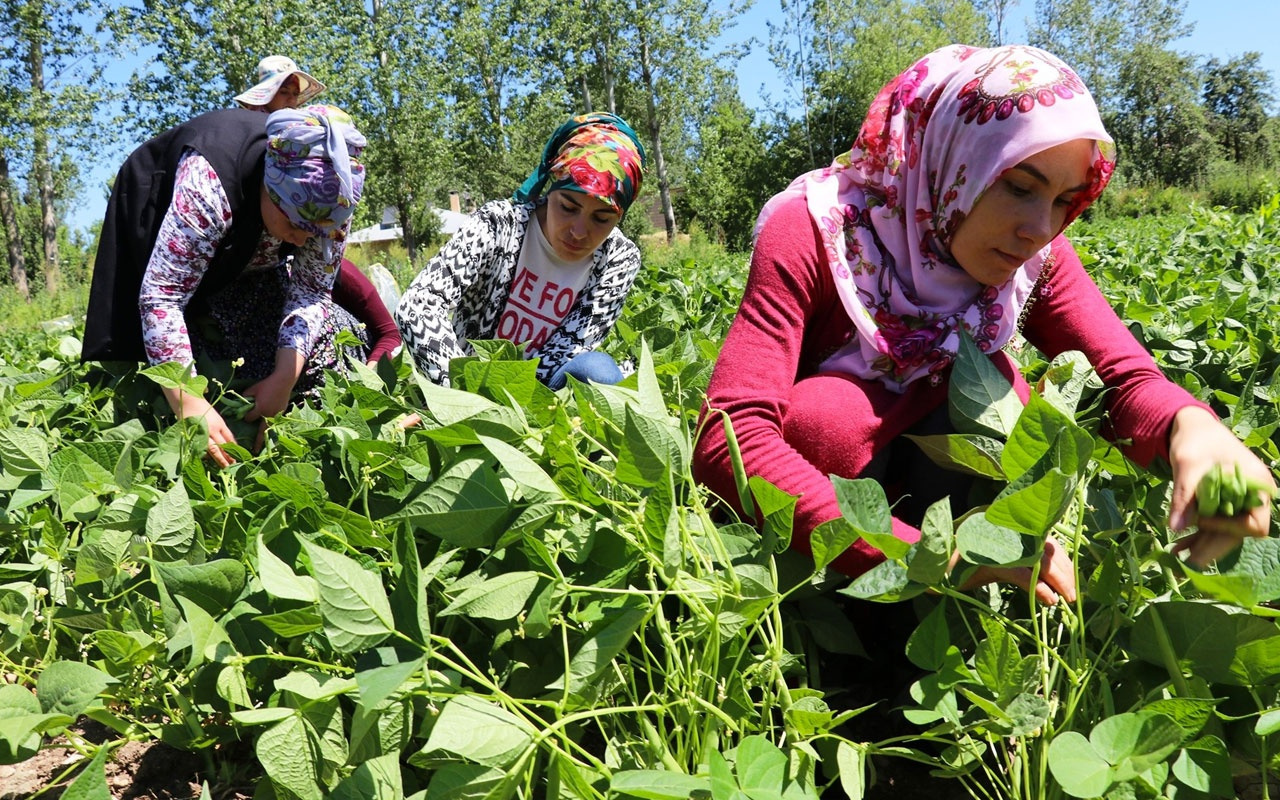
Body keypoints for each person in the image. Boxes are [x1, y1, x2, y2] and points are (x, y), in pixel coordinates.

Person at [692, 44, 1275, 604]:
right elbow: (729, 435)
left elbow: (1124, 377)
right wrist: (925, 557)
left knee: (1005, 401)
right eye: (1020, 188)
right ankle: (846, 633)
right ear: (950, 161)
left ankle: (968, 609)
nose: (1041, 228)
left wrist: (1191, 430)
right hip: (825, 527)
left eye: (1063, 201)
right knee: (830, 419)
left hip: (963, 528)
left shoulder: (1035, 256)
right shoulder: (816, 232)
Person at [83, 104, 379, 467]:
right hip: (161, 221)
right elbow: (163, 295)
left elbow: (312, 291)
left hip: (249, 254)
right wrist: (188, 401)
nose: (303, 241)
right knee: (176, 384)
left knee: (320, 345)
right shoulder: (208, 189)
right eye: (297, 225)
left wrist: (284, 376)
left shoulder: (332, 196)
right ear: (270, 187)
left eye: (317, 232)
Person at [395, 112, 646, 389]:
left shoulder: (619, 259)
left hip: (543, 386)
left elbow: (569, 349)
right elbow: (418, 305)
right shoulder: (498, 225)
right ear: (551, 190)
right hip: (468, 376)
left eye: (601, 218)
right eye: (568, 207)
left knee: (599, 372)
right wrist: (463, 394)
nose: (578, 231)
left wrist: (516, 408)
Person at [234, 55, 325, 113]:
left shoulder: (301, 128)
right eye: (284, 92)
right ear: (267, 96)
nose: (292, 100)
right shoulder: (250, 126)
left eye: (295, 94)